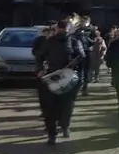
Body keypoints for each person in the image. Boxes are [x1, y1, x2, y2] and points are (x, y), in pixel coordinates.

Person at [35, 16, 85, 144]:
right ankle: (52, 134)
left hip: (68, 76)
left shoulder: (74, 41)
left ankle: (65, 126)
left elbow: (81, 55)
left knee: (66, 105)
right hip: (52, 76)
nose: (62, 31)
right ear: (57, 29)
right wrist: (40, 70)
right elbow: (39, 56)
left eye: (64, 29)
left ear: (68, 29)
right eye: (60, 29)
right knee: (49, 106)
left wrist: (76, 61)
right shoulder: (49, 41)